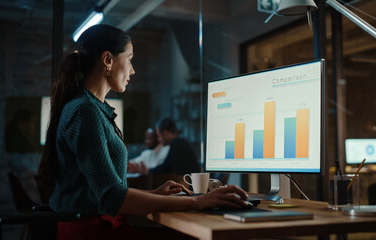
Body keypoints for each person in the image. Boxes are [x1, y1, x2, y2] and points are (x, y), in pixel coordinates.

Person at [37, 24, 248, 240]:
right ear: (108, 60)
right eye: (129, 59)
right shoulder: (84, 111)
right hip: (92, 232)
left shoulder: (91, 108)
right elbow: (111, 197)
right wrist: (197, 201)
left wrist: (155, 194)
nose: (132, 70)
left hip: (102, 226)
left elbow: (106, 193)